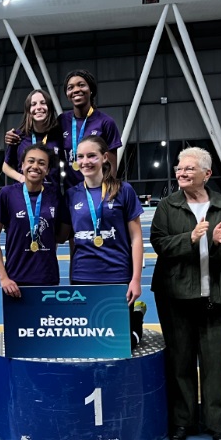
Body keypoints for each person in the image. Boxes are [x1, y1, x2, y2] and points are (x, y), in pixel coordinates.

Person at [149, 146, 221, 440]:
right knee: (180, 362)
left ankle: (217, 423)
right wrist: (190, 239)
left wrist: (218, 244)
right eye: (179, 167)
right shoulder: (167, 206)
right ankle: (182, 421)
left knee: (217, 362)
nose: (181, 172)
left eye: (189, 168)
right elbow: (159, 243)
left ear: (207, 173)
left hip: (218, 294)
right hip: (176, 295)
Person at [66, 135, 145, 348]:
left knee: (121, 342)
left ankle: (137, 316)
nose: (86, 161)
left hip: (117, 274)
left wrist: (136, 278)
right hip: (82, 276)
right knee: (88, 340)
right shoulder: (71, 194)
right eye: (81, 156)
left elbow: (136, 238)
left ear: (104, 158)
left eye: (92, 155)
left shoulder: (123, 190)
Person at [6, 70, 123, 191]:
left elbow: (112, 166)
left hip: (98, 189)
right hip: (71, 192)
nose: (76, 90)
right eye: (70, 87)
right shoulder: (62, 121)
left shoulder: (105, 122)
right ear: (67, 94)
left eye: (81, 85)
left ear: (91, 89)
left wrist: (108, 191)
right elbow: (42, 133)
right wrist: (13, 136)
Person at [0, 145, 70, 296]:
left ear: (47, 170)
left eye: (41, 163)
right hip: (15, 281)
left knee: (49, 320)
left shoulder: (55, 196)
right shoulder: (8, 194)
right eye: (31, 161)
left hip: (48, 277)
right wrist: (3, 278)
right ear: (22, 165)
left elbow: (61, 236)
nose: (35, 166)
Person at [0, 89, 64, 187]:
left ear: (50, 108)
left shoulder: (58, 134)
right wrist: (22, 178)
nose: (38, 107)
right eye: (33, 104)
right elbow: (5, 167)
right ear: (28, 110)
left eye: (43, 103)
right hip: (24, 195)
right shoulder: (18, 135)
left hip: (51, 196)